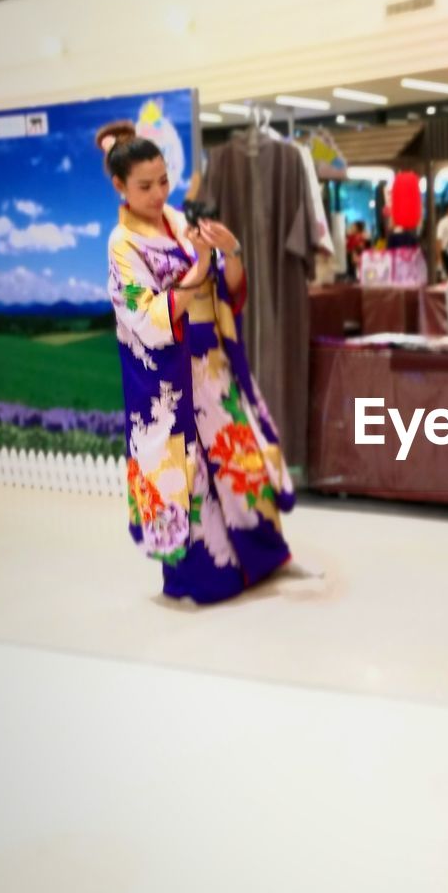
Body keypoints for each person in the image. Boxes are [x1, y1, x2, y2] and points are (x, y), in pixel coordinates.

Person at [101, 121, 295, 604]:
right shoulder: (122, 244)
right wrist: (201, 269)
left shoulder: (179, 218)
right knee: (189, 477)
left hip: (210, 361)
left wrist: (229, 253)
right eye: (145, 186)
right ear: (119, 186)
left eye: (163, 181)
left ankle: (263, 556)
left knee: (236, 455)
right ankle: (209, 575)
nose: (158, 192)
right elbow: (143, 317)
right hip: (171, 372)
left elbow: (226, 292)